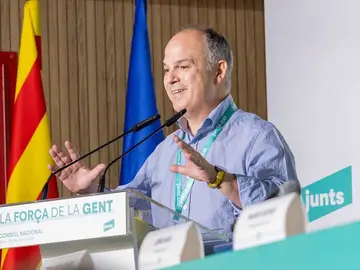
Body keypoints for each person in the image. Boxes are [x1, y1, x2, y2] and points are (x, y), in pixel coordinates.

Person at [48, 25, 298, 238]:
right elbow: (133, 206)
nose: (170, 79)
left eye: (183, 67)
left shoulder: (257, 136)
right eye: (167, 69)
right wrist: (92, 192)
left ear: (219, 72)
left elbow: (287, 211)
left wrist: (222, 180)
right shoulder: (167, 149)